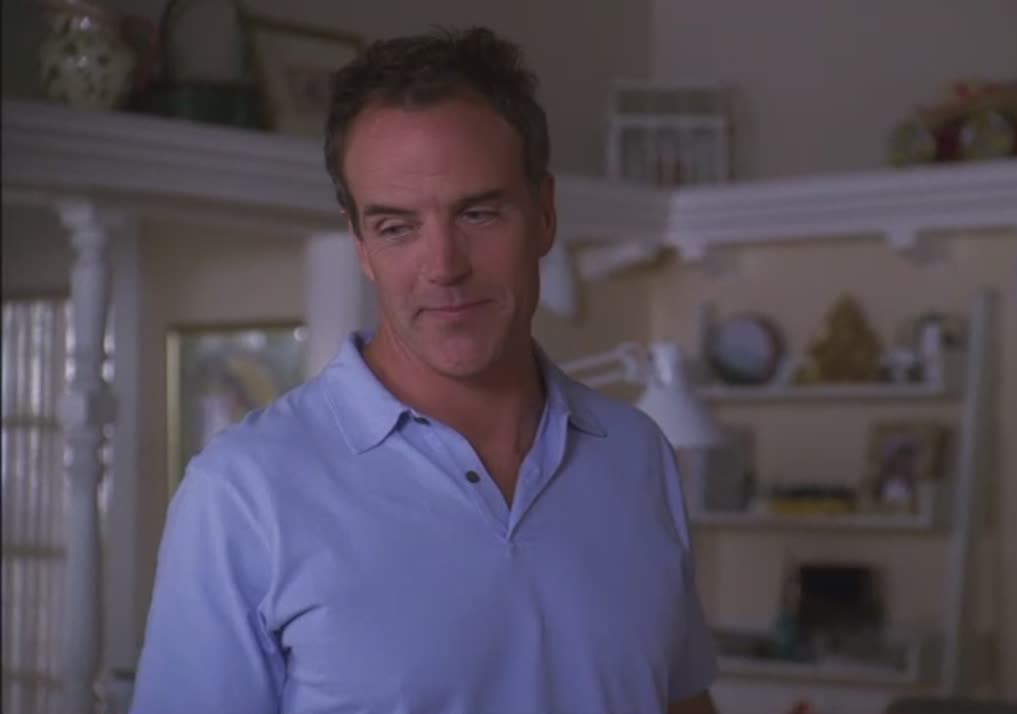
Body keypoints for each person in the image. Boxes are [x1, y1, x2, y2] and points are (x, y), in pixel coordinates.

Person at [130, 26, 719, 714]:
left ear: (545, 214)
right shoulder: (243, 492)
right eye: (396, 226)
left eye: (478, 213)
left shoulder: (636, 455)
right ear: (360, 244)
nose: (443, 267)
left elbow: (681, 701)